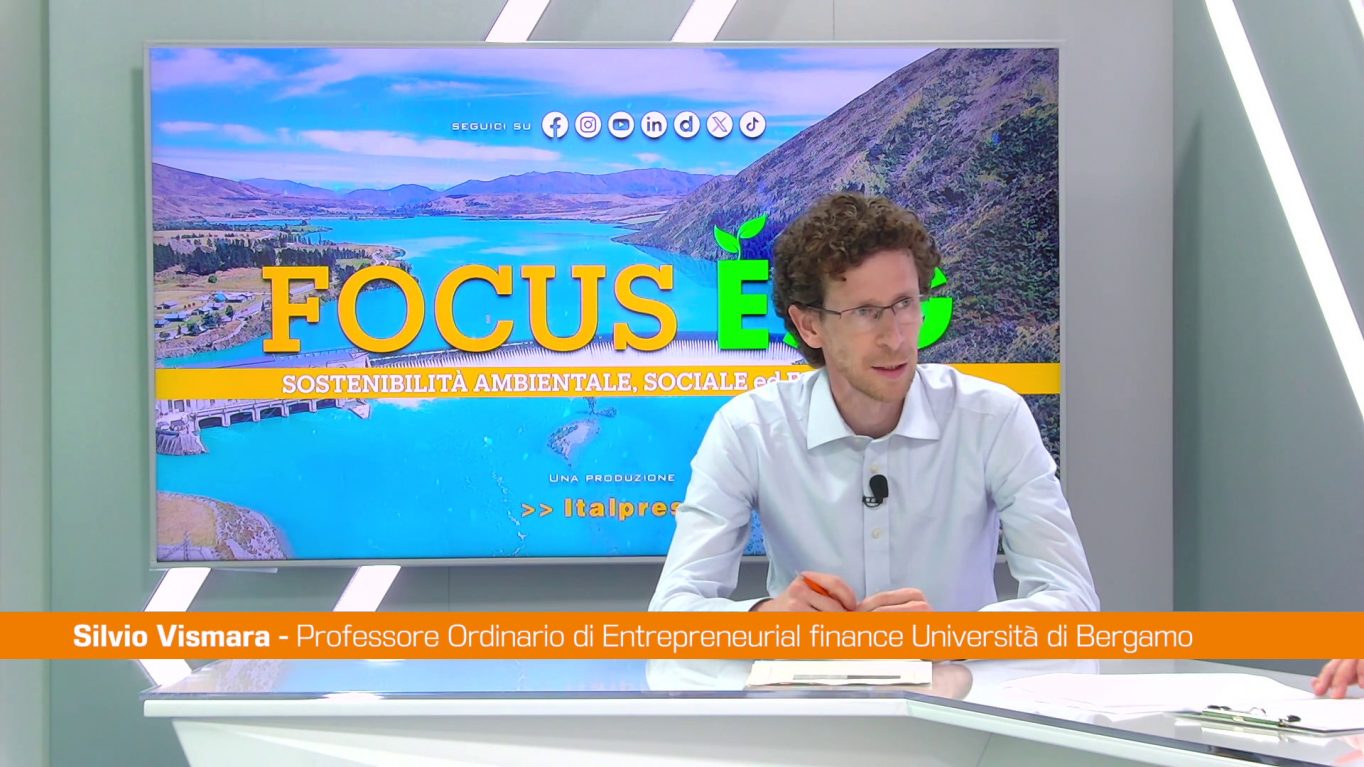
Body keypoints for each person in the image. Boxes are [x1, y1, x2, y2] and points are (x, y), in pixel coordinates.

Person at [650, 191, 1098, 613]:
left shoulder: (992, 418)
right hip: (811, 672)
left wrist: (950, 639)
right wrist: (766, 620)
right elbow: (672, 614)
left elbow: (1073, 600)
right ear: (809, 326)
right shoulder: (750, 429)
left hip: (955, 669)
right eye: (865, 312)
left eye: (905, 304)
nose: (895, 338)